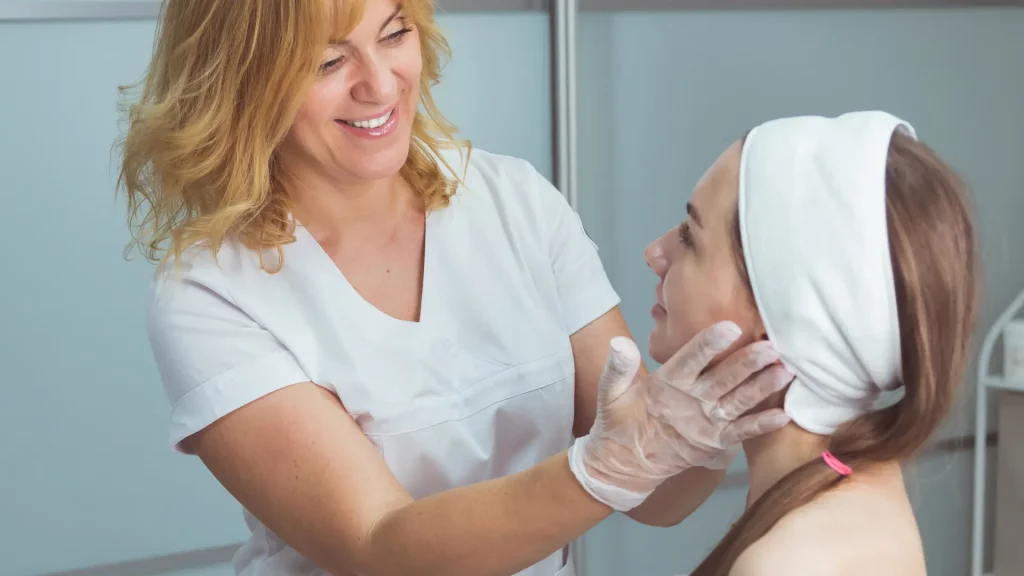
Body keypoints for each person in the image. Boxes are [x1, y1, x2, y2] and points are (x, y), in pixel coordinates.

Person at [115, 1, 795, 575]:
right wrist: (605, 468)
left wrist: (705, 425)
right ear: (242, 82)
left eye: (394, 33)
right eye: (328, 62)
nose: (380, 85)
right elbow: (378, 545)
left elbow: (658, 500)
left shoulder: (515, 202)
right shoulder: (209, 294)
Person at [643, 110, 980, 576]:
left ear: (780, 318)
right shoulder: (860, 474)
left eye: (689, 235)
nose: (655, 253)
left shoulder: (789, 562)